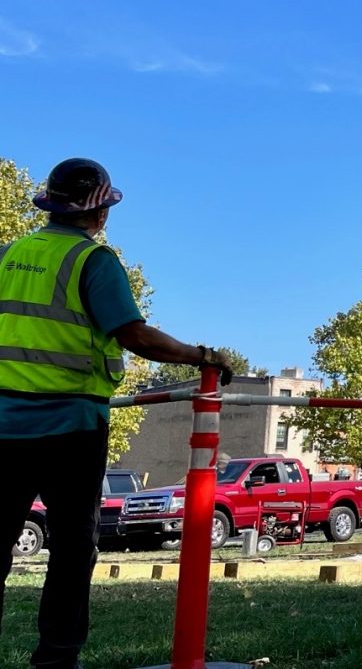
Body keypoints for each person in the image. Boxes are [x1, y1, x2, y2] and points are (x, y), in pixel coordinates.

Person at [0, 158, 235, 669]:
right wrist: (202, 356)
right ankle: (57, 657)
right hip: (69, 425)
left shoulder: (10, 254)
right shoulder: (92, 261)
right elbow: (134, 334)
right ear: (102, 211)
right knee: (71, 547)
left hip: (4, 423)